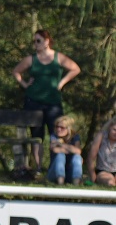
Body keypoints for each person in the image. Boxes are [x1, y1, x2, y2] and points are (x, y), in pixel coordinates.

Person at [12, 29, 81, 175]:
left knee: (56, 134)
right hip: (33, 101)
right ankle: (38, 168)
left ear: (47, 41)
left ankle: (56, 167)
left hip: (53, 103)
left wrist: (62, 82)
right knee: (37, 136)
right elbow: (16, 71)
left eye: (38, 41)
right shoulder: (31, 59)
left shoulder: (58, 57)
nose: (35, 44)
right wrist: (25, 84)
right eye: (34, 41)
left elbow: (75, 69)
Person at [46, 115, 83, 185]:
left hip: (69, 172)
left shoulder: (75, 137)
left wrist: (61, 144)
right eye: (57, 127)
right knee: (60, 155)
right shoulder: (54, 136)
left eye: (62, 127)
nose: (58, 129)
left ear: (69, 128)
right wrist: (71, 150)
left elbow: (78, 151)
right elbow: (55, 150)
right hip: (54, 173)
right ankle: (60, 183)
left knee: (77, 157)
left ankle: (76, 183)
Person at [87, 118, 116, 187]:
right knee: (109, 182)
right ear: (110, 127)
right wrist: (92, 175)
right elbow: (91, 158)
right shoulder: (101, 136)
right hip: (103, 171)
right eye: (114, 130)